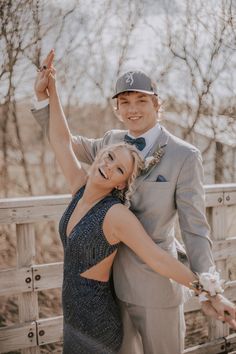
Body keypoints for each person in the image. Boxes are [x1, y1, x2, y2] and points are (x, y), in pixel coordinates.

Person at [31, 50, 236, 354]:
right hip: (108, 289)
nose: (133, 110)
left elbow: (194, 229)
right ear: (117, 108)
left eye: (141, 100)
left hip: (157, 287)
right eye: (124, 102)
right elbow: (65, 142)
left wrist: (209, 290)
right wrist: (45, 97)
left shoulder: (185, 156)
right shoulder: (111, 142)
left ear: (156, 103)